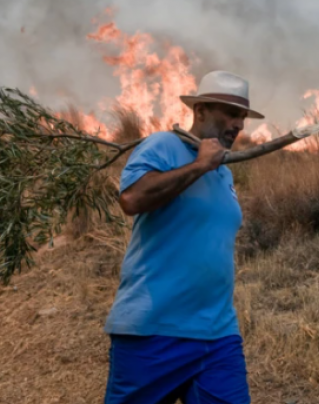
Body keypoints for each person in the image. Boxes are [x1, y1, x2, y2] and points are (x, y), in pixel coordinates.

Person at [103, 71, 265, 404]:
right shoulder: (163, 145)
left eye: (243, 117)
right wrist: (199, 166)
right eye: (231, 114)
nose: (239, 125)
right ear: (201, 110)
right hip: (153, 332)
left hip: (218, 334)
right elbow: (131, 200)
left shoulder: (224, 171)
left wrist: (210, 165)